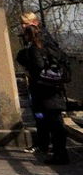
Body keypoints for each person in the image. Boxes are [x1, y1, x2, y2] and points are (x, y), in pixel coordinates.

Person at [16, 12, 71, 165]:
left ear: (34, 23)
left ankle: (57, 151)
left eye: (25, 24)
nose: (23, 27)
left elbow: (39, 65)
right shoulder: (38, 42)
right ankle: (47, 145)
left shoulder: (39, 43)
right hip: (49, 87)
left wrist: (26, 58)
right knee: (43, 117)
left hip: (46, 89)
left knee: (53, 120)